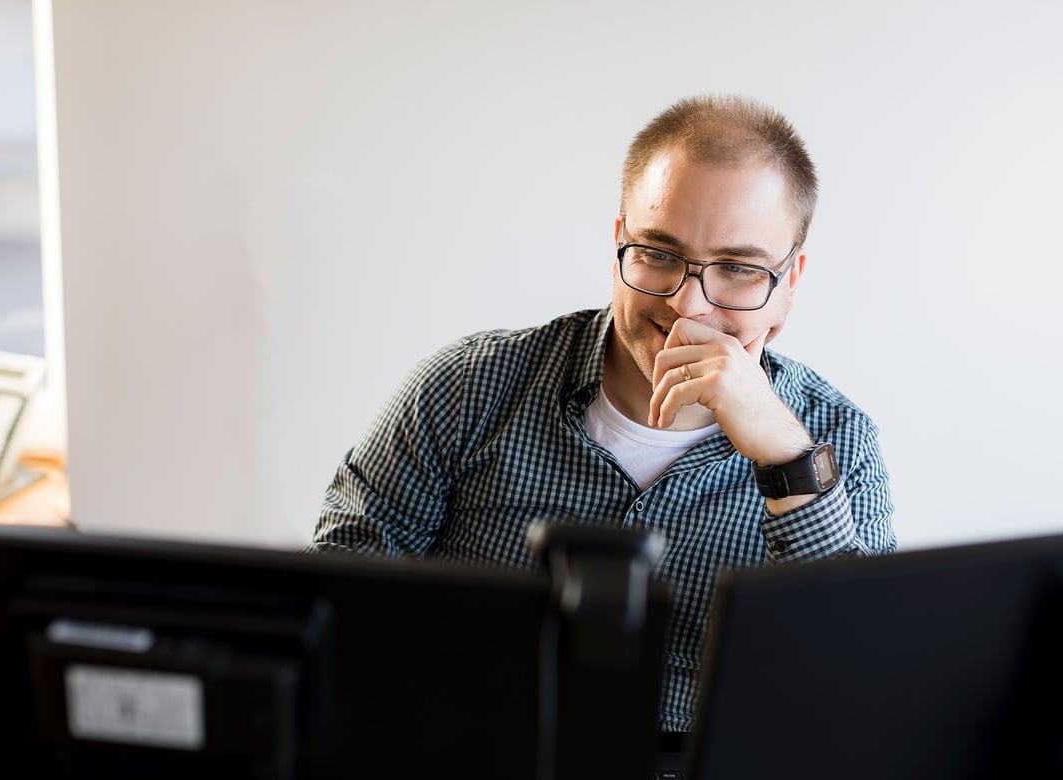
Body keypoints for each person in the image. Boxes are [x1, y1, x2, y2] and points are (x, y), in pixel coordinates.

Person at [311, 94, 896, 732]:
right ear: (619, 244)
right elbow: (329, 613)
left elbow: (857, 689)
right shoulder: (464, 390)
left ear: (790, 283)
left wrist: (789, 462)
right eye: (660, 254)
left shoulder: (840, 443)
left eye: (736, 268)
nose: (688, 305)